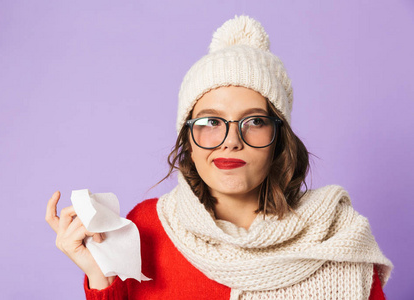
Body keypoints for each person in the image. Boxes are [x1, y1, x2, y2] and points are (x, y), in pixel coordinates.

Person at [46, 15, 393, 299]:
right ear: (188, 138)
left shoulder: (337, 235)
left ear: (279, 137)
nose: (230, 142)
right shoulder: (147, 228)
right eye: (211, 122)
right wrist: (97, 272)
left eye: (254, 121)